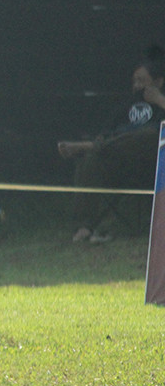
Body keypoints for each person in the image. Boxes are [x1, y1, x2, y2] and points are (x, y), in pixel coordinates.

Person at [59, 46, 165, 243]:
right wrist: (100, 143)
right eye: (134, 81)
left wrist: (159, 99)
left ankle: (88, 146)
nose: (136, 86)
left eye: (141, 80)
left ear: (158, 81)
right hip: (120, 162)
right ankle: (83, 227)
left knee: (150, 134)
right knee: (91, 159)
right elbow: (106, 133)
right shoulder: (126, 106)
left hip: (153, 161)